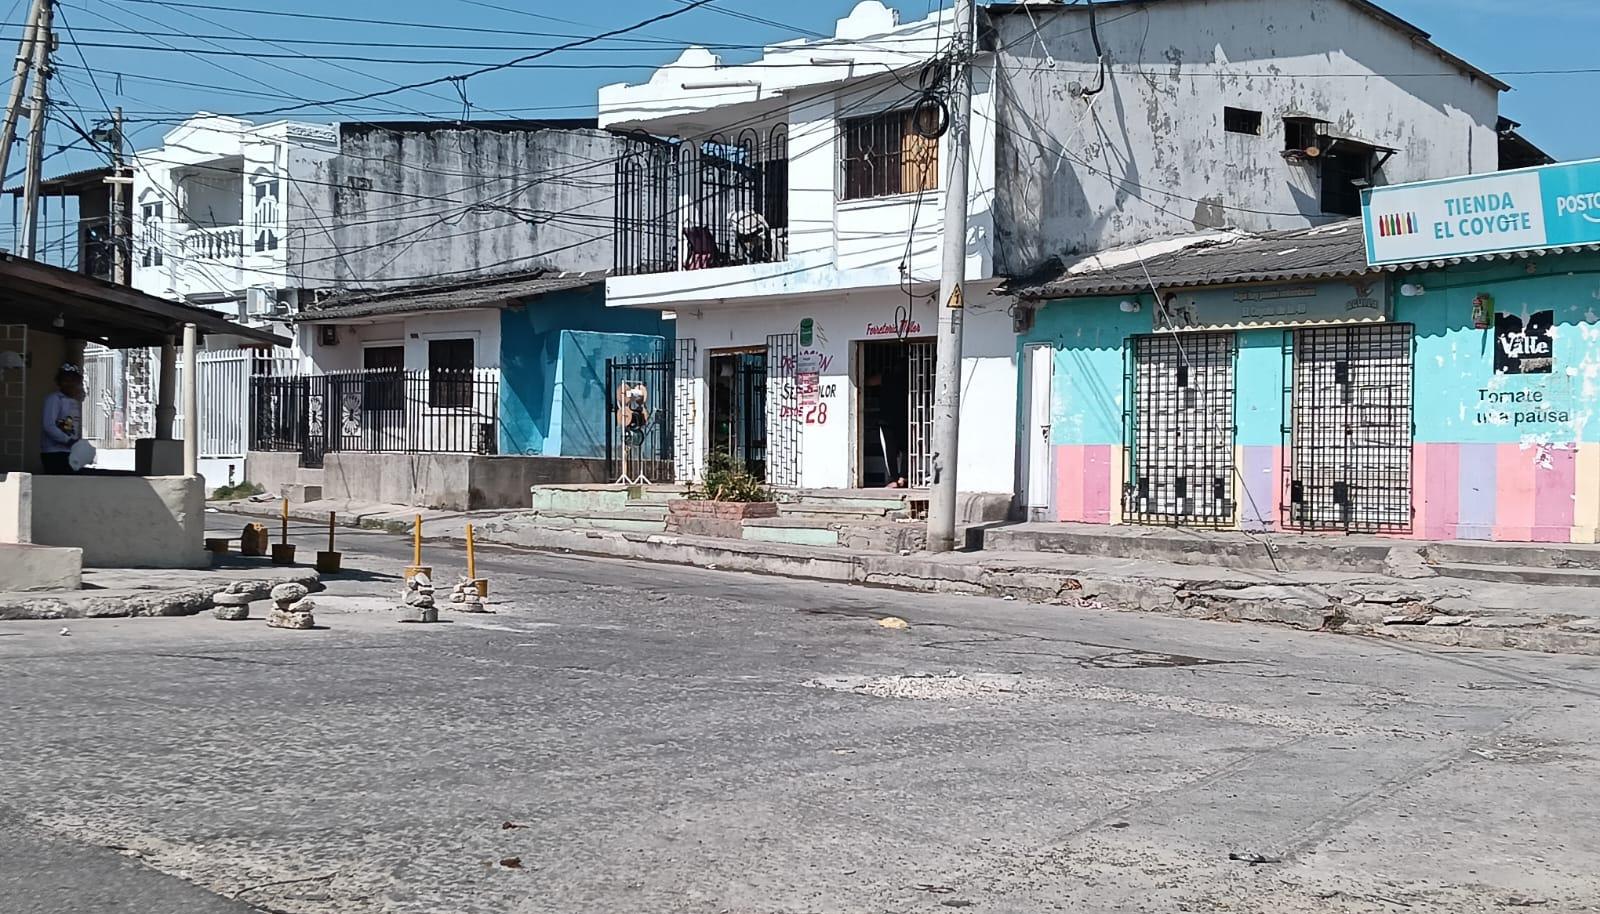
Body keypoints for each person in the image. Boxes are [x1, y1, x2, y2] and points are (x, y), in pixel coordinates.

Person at [40, 363, 84, 475]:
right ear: (59, 382)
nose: (69, 384)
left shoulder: (74, 401)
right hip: (54, 452)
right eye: (65, 380)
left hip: (70, 452)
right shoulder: (54, 399)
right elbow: (48, 425)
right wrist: (67, 440)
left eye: (73, 380)